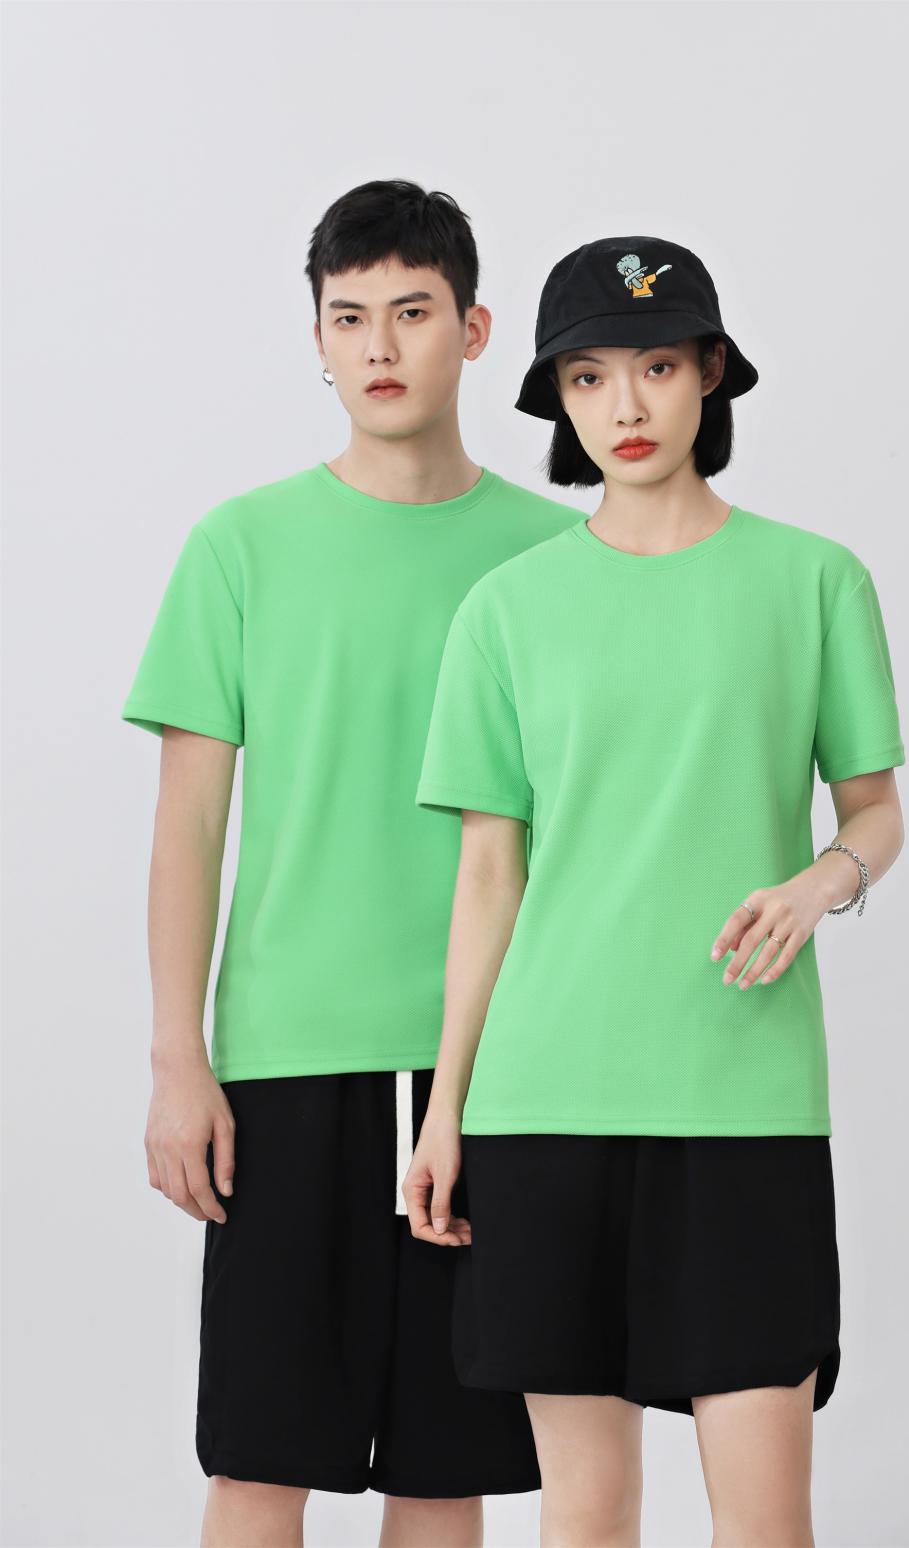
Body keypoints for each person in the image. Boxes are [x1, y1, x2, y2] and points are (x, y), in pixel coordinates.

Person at [406, 235, 906, 1547]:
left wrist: (819, 884)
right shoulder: (506, 611)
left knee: (765, 1518)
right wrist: (445, 1110)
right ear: (558, 400)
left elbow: (876, 811)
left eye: (658, 367)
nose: (624, 406)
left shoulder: (816, 581)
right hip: (543, 1103)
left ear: (711, 375)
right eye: (588, 378)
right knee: (586, 1512)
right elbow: (488, 877)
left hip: (744, 1101)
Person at [120, 179, 583, 1548]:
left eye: (413, 313)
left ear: (475, 330)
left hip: (492, 1060)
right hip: (286, 1054)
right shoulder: (241, 546)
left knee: (449, 1468)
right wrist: (177, 1059)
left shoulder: (557, 555)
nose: (380, 346)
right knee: (262, 1458)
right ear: (317, 340)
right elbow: (188, 824)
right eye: (349, 317)